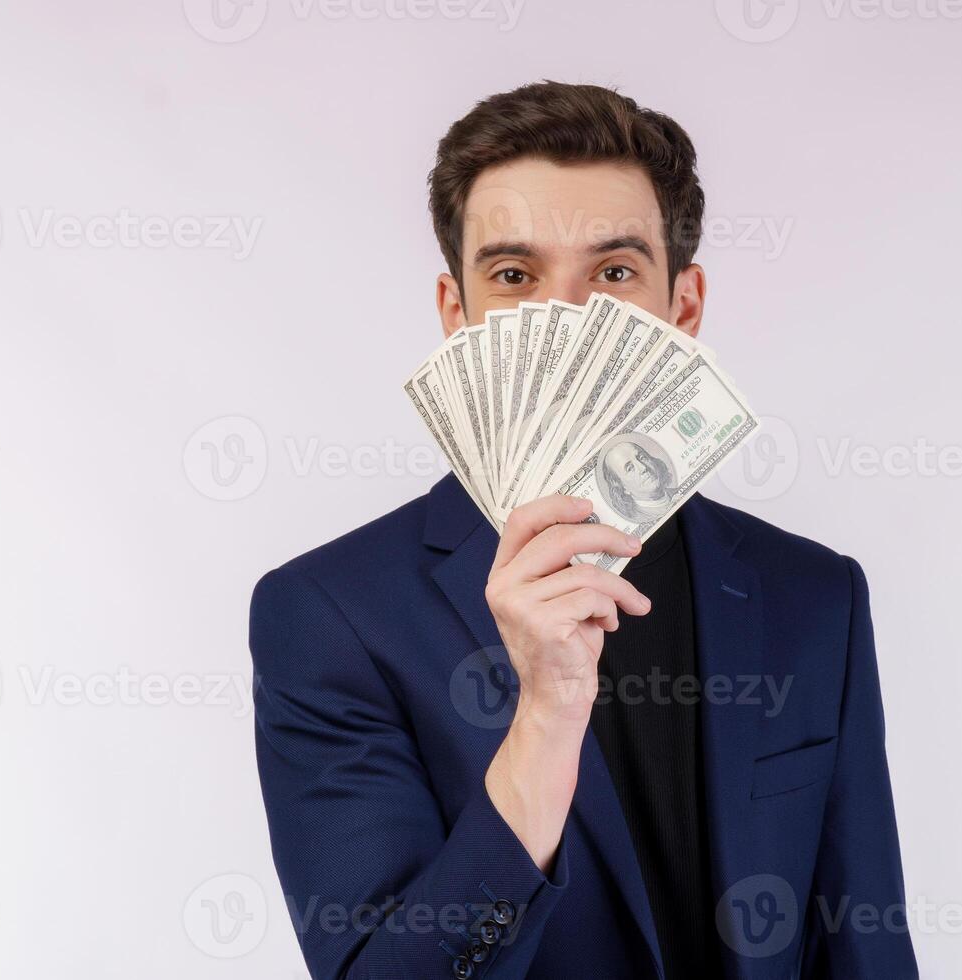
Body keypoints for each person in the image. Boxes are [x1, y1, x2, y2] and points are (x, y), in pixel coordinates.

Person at [249, 80, 917, 979]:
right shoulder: (329, 615)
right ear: (459, 317)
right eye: (515, 276)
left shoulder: (814, 596)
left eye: (612, 273)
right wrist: (545, 722)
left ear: (682, 310)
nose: (565, 322)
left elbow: (864, 949)